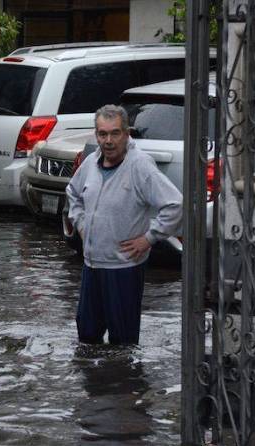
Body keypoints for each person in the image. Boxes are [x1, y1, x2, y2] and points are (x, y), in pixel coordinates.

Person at [66, 104, 182, 345]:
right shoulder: (91, 163)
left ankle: (123, 372)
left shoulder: (140, 166)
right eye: (102, 134)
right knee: (87, 337)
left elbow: (175, 204)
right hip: (92, 265)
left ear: (126, 134)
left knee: (123, 343)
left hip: (124, 269)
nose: (108, 141)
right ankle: (94, 372)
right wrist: (81, 223)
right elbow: (73, 193)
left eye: (115, 133)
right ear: (96, 135)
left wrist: (149, 238)